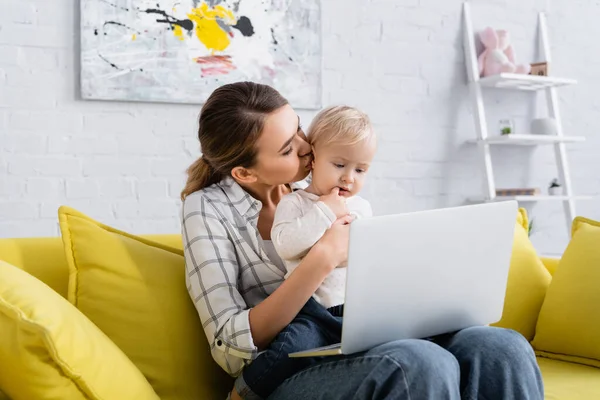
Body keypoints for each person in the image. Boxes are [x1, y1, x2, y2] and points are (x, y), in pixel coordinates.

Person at [181, 81, 544, 400]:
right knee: (418, 364)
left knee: (502, 347)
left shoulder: (327, 184)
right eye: (287, 150)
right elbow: (228, 346)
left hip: (358, 337)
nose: (307, 148)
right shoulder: (208, 209)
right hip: (291, 367)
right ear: (245, 172)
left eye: (298, 131)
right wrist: (322, 257)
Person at [236, 105, 377, 399]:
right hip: (310, 311)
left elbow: (369, 255)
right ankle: (243, 391)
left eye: (360, 169)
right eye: (339, 165)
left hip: (356, 310)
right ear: (313, 159)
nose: (349, 178)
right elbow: (287, 245)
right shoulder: (296, 203)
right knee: (290, 349)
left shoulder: (361, 208)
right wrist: (325, 211)